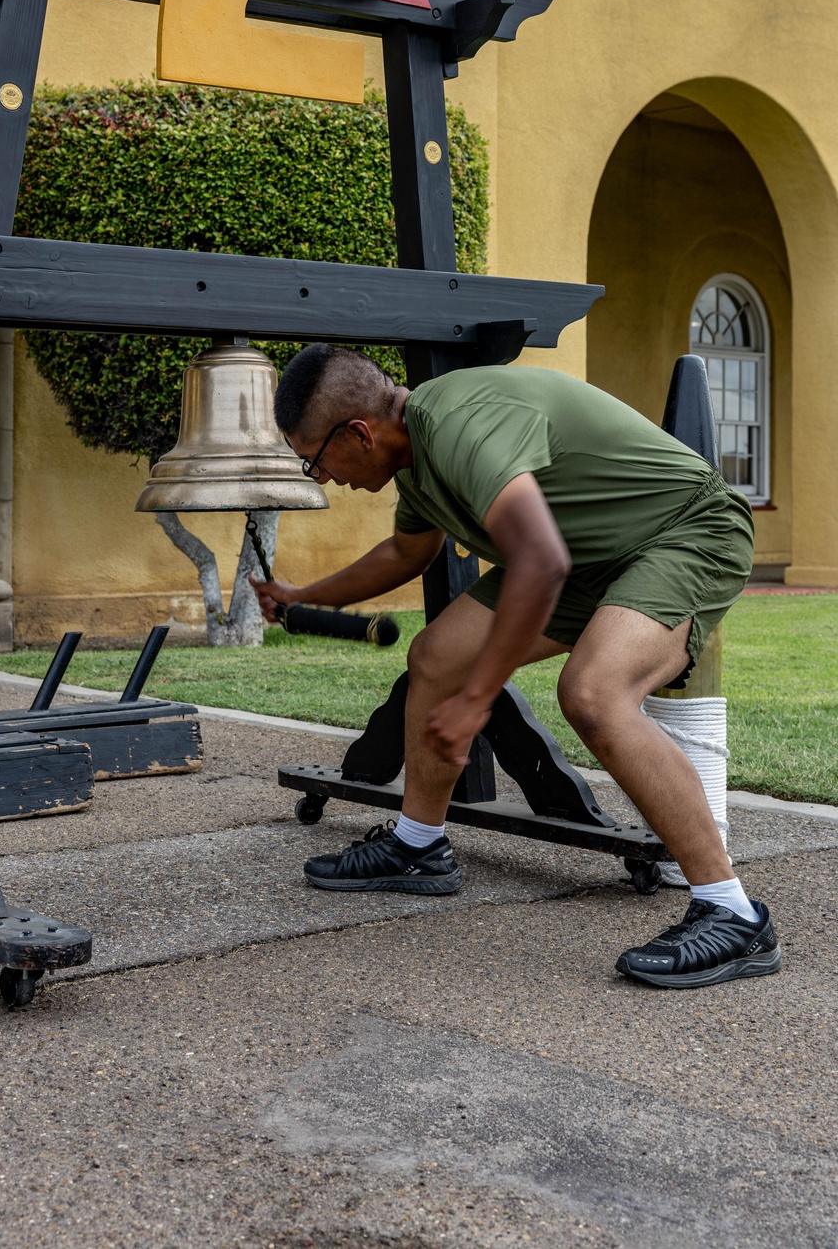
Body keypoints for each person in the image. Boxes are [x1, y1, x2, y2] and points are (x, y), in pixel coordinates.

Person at [251, 343, 782, 990]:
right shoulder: (417, 458)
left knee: (592, 693)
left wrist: (478, 699)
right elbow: (404, 553)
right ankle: (419, 846)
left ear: (358, 432)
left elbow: (538, 562)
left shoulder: (457, 425)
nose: (319, 475)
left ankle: (733, 914)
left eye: (314, 458)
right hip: (584, 558)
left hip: (680, 533)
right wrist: (304, 596)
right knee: (436, 656)